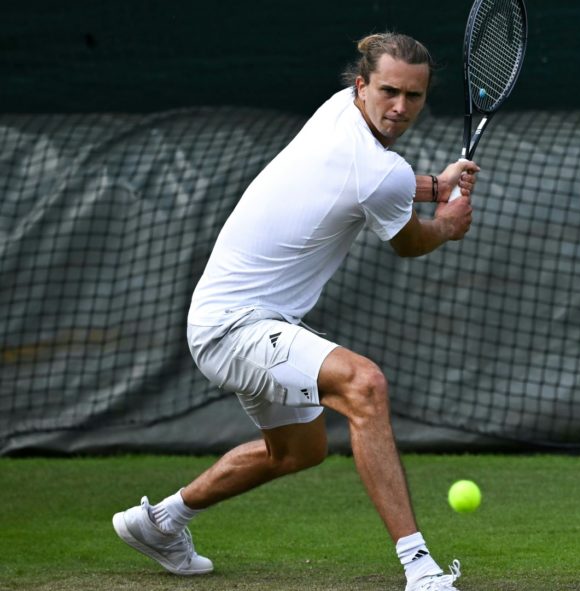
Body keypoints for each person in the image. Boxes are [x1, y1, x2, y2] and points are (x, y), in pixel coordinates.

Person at [111, 32, 479, 591]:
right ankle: (420, 568)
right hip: (235, 326)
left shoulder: (338, 110)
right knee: (364, 385)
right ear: (362, 85)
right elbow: (409, 241)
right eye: (388, 91)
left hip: (231, 319)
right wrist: (446, 225)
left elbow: (376, 183)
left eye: (414, 96)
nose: (400, 107)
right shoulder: (383, 173)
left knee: (297, 452)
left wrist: (434, 185)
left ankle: (159, 522)